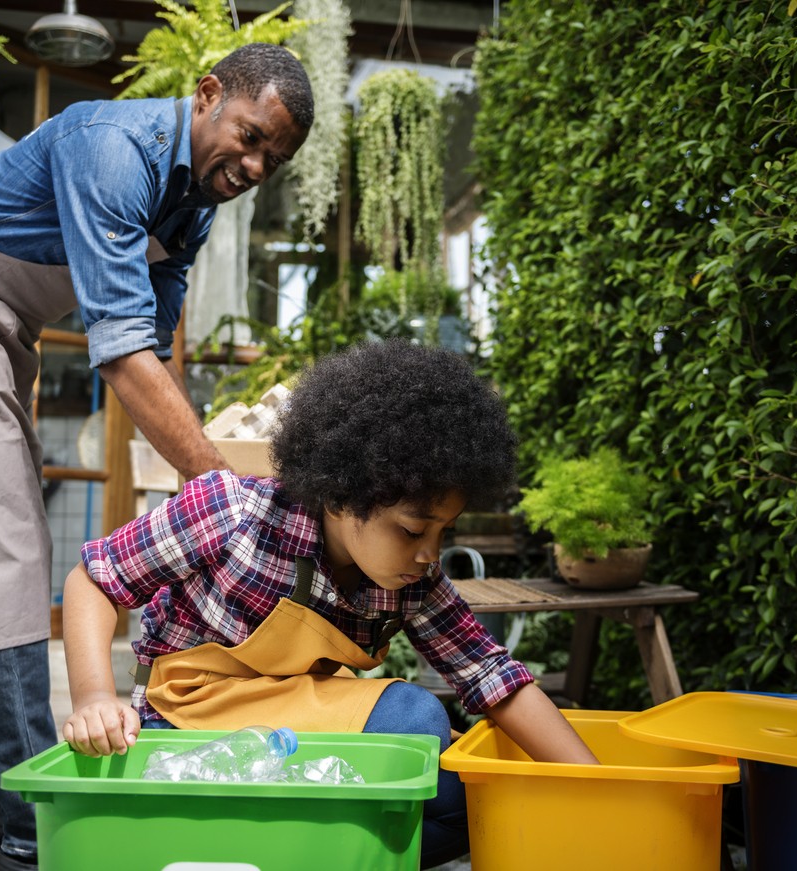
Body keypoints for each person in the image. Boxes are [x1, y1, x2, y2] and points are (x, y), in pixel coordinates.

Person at [0, 43, 313, 871]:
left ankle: (0, 823)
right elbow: (121, 353)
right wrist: (229, 494)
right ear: (207, 96)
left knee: (4, 538)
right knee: (6, 546)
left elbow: (153, 352)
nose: (252, 164)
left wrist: (200, 486)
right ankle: (29, 835)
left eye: (271, 158)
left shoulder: (192, 203)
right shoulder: (112, 147)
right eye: (247, 136)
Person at [61, 340, 600, 870]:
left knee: (477, 799)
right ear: (342, 498)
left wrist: (596, 786)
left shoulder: (413, 579)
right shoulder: (230, 511)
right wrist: (93, 699)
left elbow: (489, 673)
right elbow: (94, 580)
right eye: (413, 528)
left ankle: (295, 857)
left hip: (295, 740)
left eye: (445, 531)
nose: (429, 553)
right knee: (411, 721)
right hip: (186, 728)